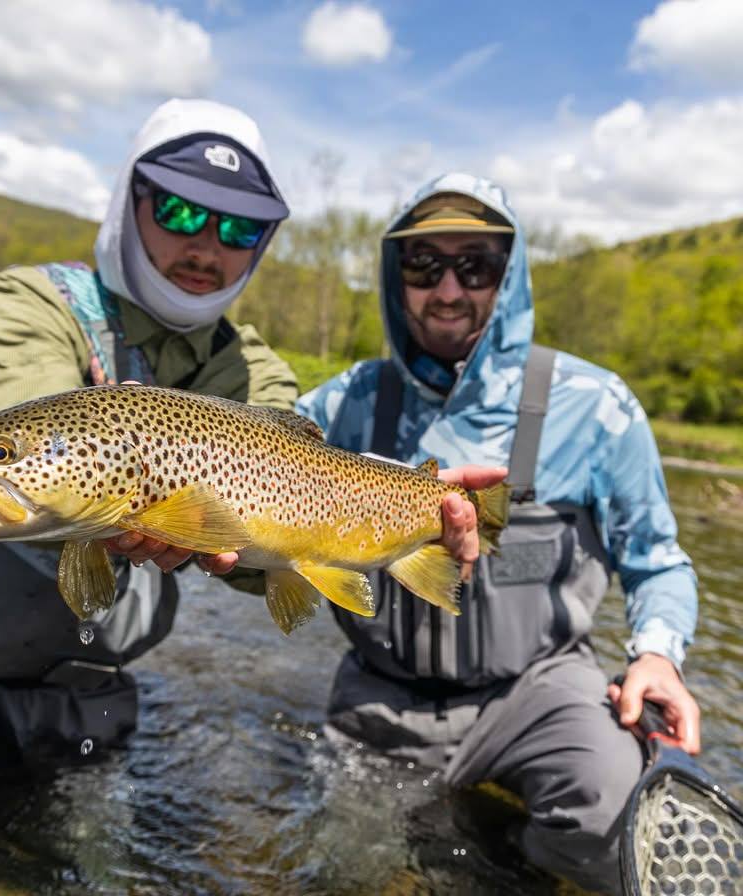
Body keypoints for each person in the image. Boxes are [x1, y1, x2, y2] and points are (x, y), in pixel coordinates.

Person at [0, 101, 485, 865]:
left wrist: (401, 507)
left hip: (95, 696)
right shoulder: (31, 304)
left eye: (240, 229)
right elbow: (41, 477)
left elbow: (271, 547)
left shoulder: (254, 373)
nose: (207, 245)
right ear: (131, 199)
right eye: (180, 209)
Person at [292, 172, 701, 894]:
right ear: (397, 276)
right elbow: (244, 449)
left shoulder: (597, 408)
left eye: (474, 265)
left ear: (507, 276)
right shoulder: (345, 403)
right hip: (380, 697)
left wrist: (658, 656)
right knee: (340, 867)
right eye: (423, 266)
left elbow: (657, 560)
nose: (448, 290)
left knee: (612, 820)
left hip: (539, 695)